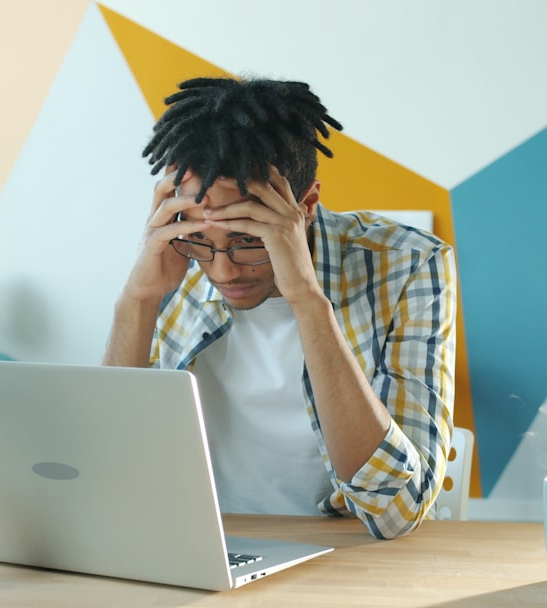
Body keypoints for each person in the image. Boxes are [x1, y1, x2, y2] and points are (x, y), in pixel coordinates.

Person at [102, 76, 457, 539]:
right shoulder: (174, 256)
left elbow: (396, 511)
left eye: (248, 240)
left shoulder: (409, 264)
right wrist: (139, 299)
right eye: (201, 240)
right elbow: (105, 473)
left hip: (346, 550)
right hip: (200, 541)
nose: (223, 271)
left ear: (306, 204)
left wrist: (307, 300)